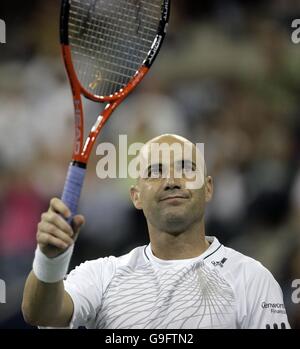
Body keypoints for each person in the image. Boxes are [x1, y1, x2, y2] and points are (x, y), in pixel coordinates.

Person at [22, 134, 290, 329]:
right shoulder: (102, 276)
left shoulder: (252, 279)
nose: (172, 181)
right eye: (155, 171)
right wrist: (49, 261)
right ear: (136, 196)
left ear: (208, 188)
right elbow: (41, 314)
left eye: (186, 169)